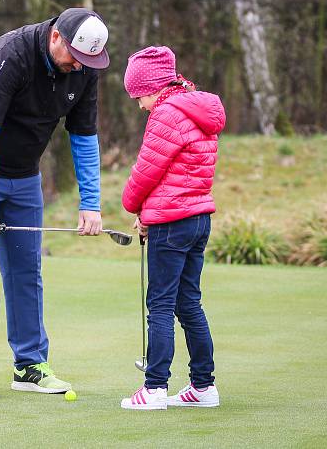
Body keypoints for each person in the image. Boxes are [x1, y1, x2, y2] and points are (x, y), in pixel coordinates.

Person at [0, 8, 110, 398]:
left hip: (23, 169)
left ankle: (29, 363)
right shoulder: (9, 54)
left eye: (86, 63)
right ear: (56, 39)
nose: (77, 68)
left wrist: (91, 203)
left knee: (25, 269)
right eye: (74, 59)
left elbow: (84, 138)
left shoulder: (84, 67)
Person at [119, 46, 225, 410]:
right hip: (198, 219)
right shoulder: (198, 108)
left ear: (154, 87)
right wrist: (148, 212)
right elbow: (174, 175)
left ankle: (155, 388)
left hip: (172, 223)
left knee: (160, 304)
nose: (139, 105)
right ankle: (203, 386)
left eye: (140, 96)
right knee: (189, 303)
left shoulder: (166, 114)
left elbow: (147, 171)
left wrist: (133, 206)